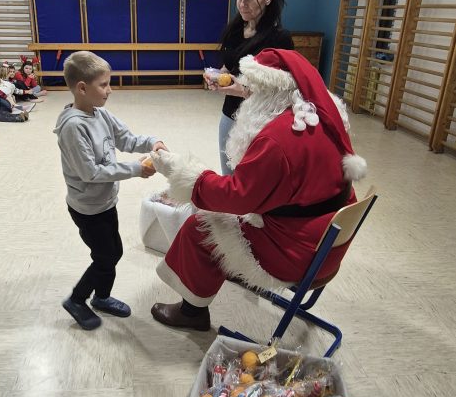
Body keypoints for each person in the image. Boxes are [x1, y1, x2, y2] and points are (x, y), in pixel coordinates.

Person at [149, 49, 368, 331]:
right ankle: (220, 276)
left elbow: (236, 198)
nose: (249, 96)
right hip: (327, 244)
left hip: (296, 253)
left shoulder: (277, 140)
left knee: (199, 226)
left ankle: (192, 313)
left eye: (253, 90)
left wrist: (185, 173)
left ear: (269, 91)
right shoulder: (323, 117)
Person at [55, 50, 167, 330]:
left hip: (105, 201)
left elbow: (126, 139)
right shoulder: (73, 127)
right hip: (87, 208)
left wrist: (152, 142)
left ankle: (101, 297)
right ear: (82, 88)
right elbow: (90, 172)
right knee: (106, 256)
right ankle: (77, 300)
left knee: (112, 252)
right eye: (104, 84)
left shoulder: (100, 113)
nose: (110, 90)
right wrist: (136, 169)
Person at [207, 0, 294, 175]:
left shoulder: (280, 39)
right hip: (229, 116)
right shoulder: (235, 31)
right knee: (229, 178)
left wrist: (244, 90)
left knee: (254, 181)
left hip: (261, 123)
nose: (242, 4)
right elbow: (230, 66)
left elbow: (285, 90)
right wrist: (216, 76)